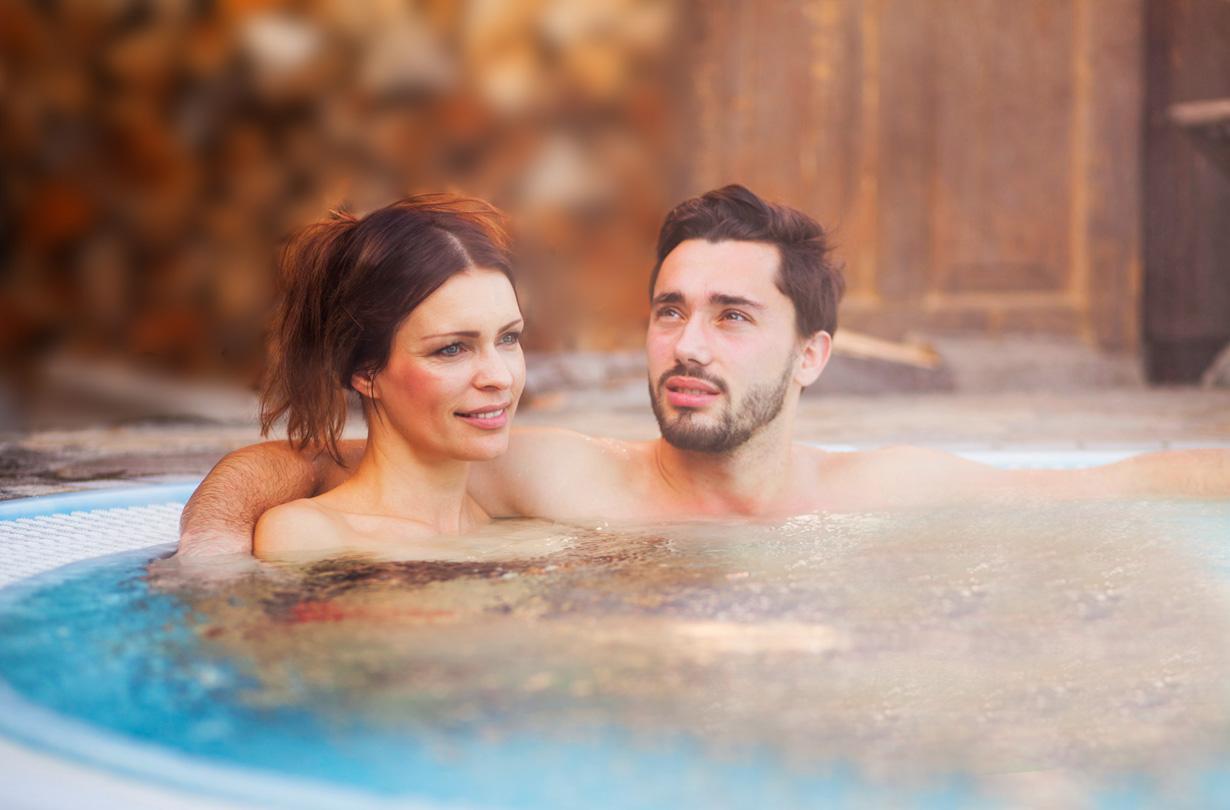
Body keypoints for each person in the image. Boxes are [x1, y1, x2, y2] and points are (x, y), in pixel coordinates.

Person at [178, 185, 1229, 556]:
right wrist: (210, 554)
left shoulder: (887, 494)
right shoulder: (549, 478)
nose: (687, 347)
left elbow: (1112, 485)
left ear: (813, 354)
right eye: (670, 312)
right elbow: (308, 468)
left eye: (732, 317)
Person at [245, 193, 525, 560]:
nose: (500, 377)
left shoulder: (521, 525)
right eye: (452, 348)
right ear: (364, 371)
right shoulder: (312, 535)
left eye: (508, 338)